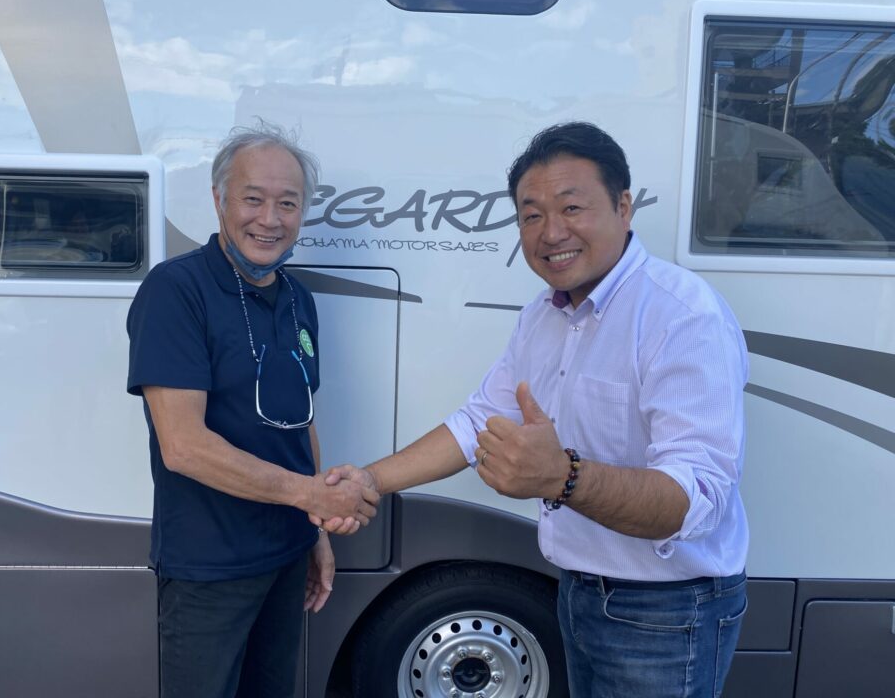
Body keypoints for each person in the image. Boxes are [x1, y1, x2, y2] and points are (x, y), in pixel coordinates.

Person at [323, 121, 749, 698]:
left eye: (572, 207)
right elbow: (478, 422)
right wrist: (370, 480)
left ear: (624, 207)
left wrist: (563, 477)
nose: (551, 233)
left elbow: (695, 499)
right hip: (577, 590)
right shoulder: (544, 316)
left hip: (668, 611)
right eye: (531, 215)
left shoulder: (681, 315)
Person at [127, 122, 379, 698]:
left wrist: (314, 531)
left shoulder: (298, 298)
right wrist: (312, 497)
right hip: (210, 566)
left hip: (287, 556)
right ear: (219, 199)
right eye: (253, 199)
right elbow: (184, 447)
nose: (270, 219)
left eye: (287, 203)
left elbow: (300, 422)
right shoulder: (176, 290)